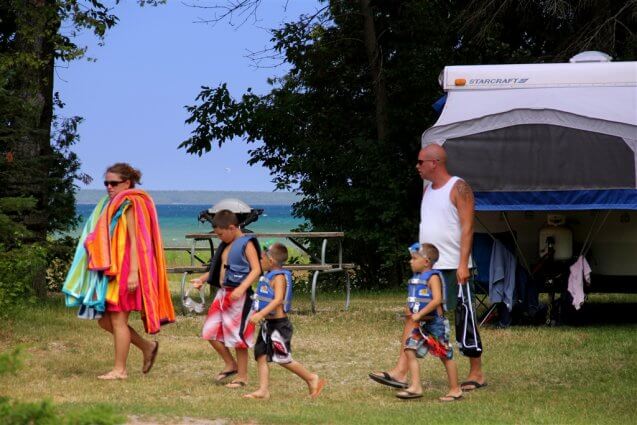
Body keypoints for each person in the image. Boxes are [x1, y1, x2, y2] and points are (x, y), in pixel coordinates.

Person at [369, 143, 486, 392]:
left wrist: (463, 263)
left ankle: (476, 371)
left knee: (463, 317)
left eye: (421, 162)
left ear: (435, 163)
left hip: (454, 265)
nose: (417, 166)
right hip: (429, 266)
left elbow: (467, 228)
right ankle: (400, 372)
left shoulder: (459, 187)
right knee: (415, 315)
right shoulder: (428, 191)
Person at [62, 163, 175, 380]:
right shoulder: (113, 203)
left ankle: (120, 370)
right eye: (106, 183)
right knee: (105, 321)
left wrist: (133, 273)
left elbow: (137, 241)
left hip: (126, 270)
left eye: (113, 183)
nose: (109, 187)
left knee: (117, 321)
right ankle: (147, 347)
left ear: (127, 182)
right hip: (114, 270)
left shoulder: (131, 203)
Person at [241, 243, 326, 400]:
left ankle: (311, 378)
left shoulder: (279, 278)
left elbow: (278, 300)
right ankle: (263, 390)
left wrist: (261, 314)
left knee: (282, 358)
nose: (259, 261)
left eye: (261, 258)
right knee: (260, 355)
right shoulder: (267, 276)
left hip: (279, 326)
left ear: (271, 260)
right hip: (268, 325)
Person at [192, 210, 260, 389]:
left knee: (238, 336)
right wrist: (202, 279)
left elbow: (256, 269)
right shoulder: (226, 244)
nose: (219, 238)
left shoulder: (246, 244)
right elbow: (219, 269)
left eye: (221, 234)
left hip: (240, 296)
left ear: (231, 227)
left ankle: (243, 377)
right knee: (209, 331)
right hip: (223, 294)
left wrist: (242, 288)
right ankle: (231, 364)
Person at [396, 243, 461, 401]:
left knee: (445, 355)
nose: (410, 262)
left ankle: (455, 389)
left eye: (414, 258)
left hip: (436, 325)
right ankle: (416, 387)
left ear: (426, 261)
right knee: (409, 348)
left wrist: (420, 315)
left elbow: (437, 299)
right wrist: (409, 311)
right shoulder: (417, 279)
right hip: (423, 325)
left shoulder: (433, 277)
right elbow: (416, 299)